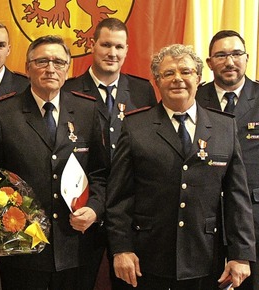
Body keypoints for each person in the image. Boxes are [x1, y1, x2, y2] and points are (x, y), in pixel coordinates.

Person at [106, 43, 255, 289]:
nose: (178, 79)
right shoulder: (136, 127)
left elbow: (236, 197)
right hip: (148, 258)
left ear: (198, 77)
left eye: (185, 72)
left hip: (206, 257)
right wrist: (121, 249)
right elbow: (119, 197)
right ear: (157, 81)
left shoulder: (223, 127)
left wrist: (241, 254)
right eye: (168, 73)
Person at [0, 35, 109, 290]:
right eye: (42, 61)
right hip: (22, 248)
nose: (51, 68)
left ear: (68, 68)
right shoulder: (3, 112)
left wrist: (94, 209)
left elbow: (101, 172)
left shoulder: (87, 109)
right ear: (27, 68)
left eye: (59, 62)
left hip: (76, 245)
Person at [61, 17, 158, 290]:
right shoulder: (68, 89)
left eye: (118, 46)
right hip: (83, 209)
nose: (112, 53)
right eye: (105, 45)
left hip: (130, 210)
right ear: (92, 45)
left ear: (127, 49)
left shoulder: (142, 90)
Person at [196, 30, 259, 290]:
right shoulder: (194, 98)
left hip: (255, 220)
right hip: (204, 220)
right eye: (221, 55)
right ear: (210, 63)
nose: (229, 61)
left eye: (236, 54)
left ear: (247, 58)